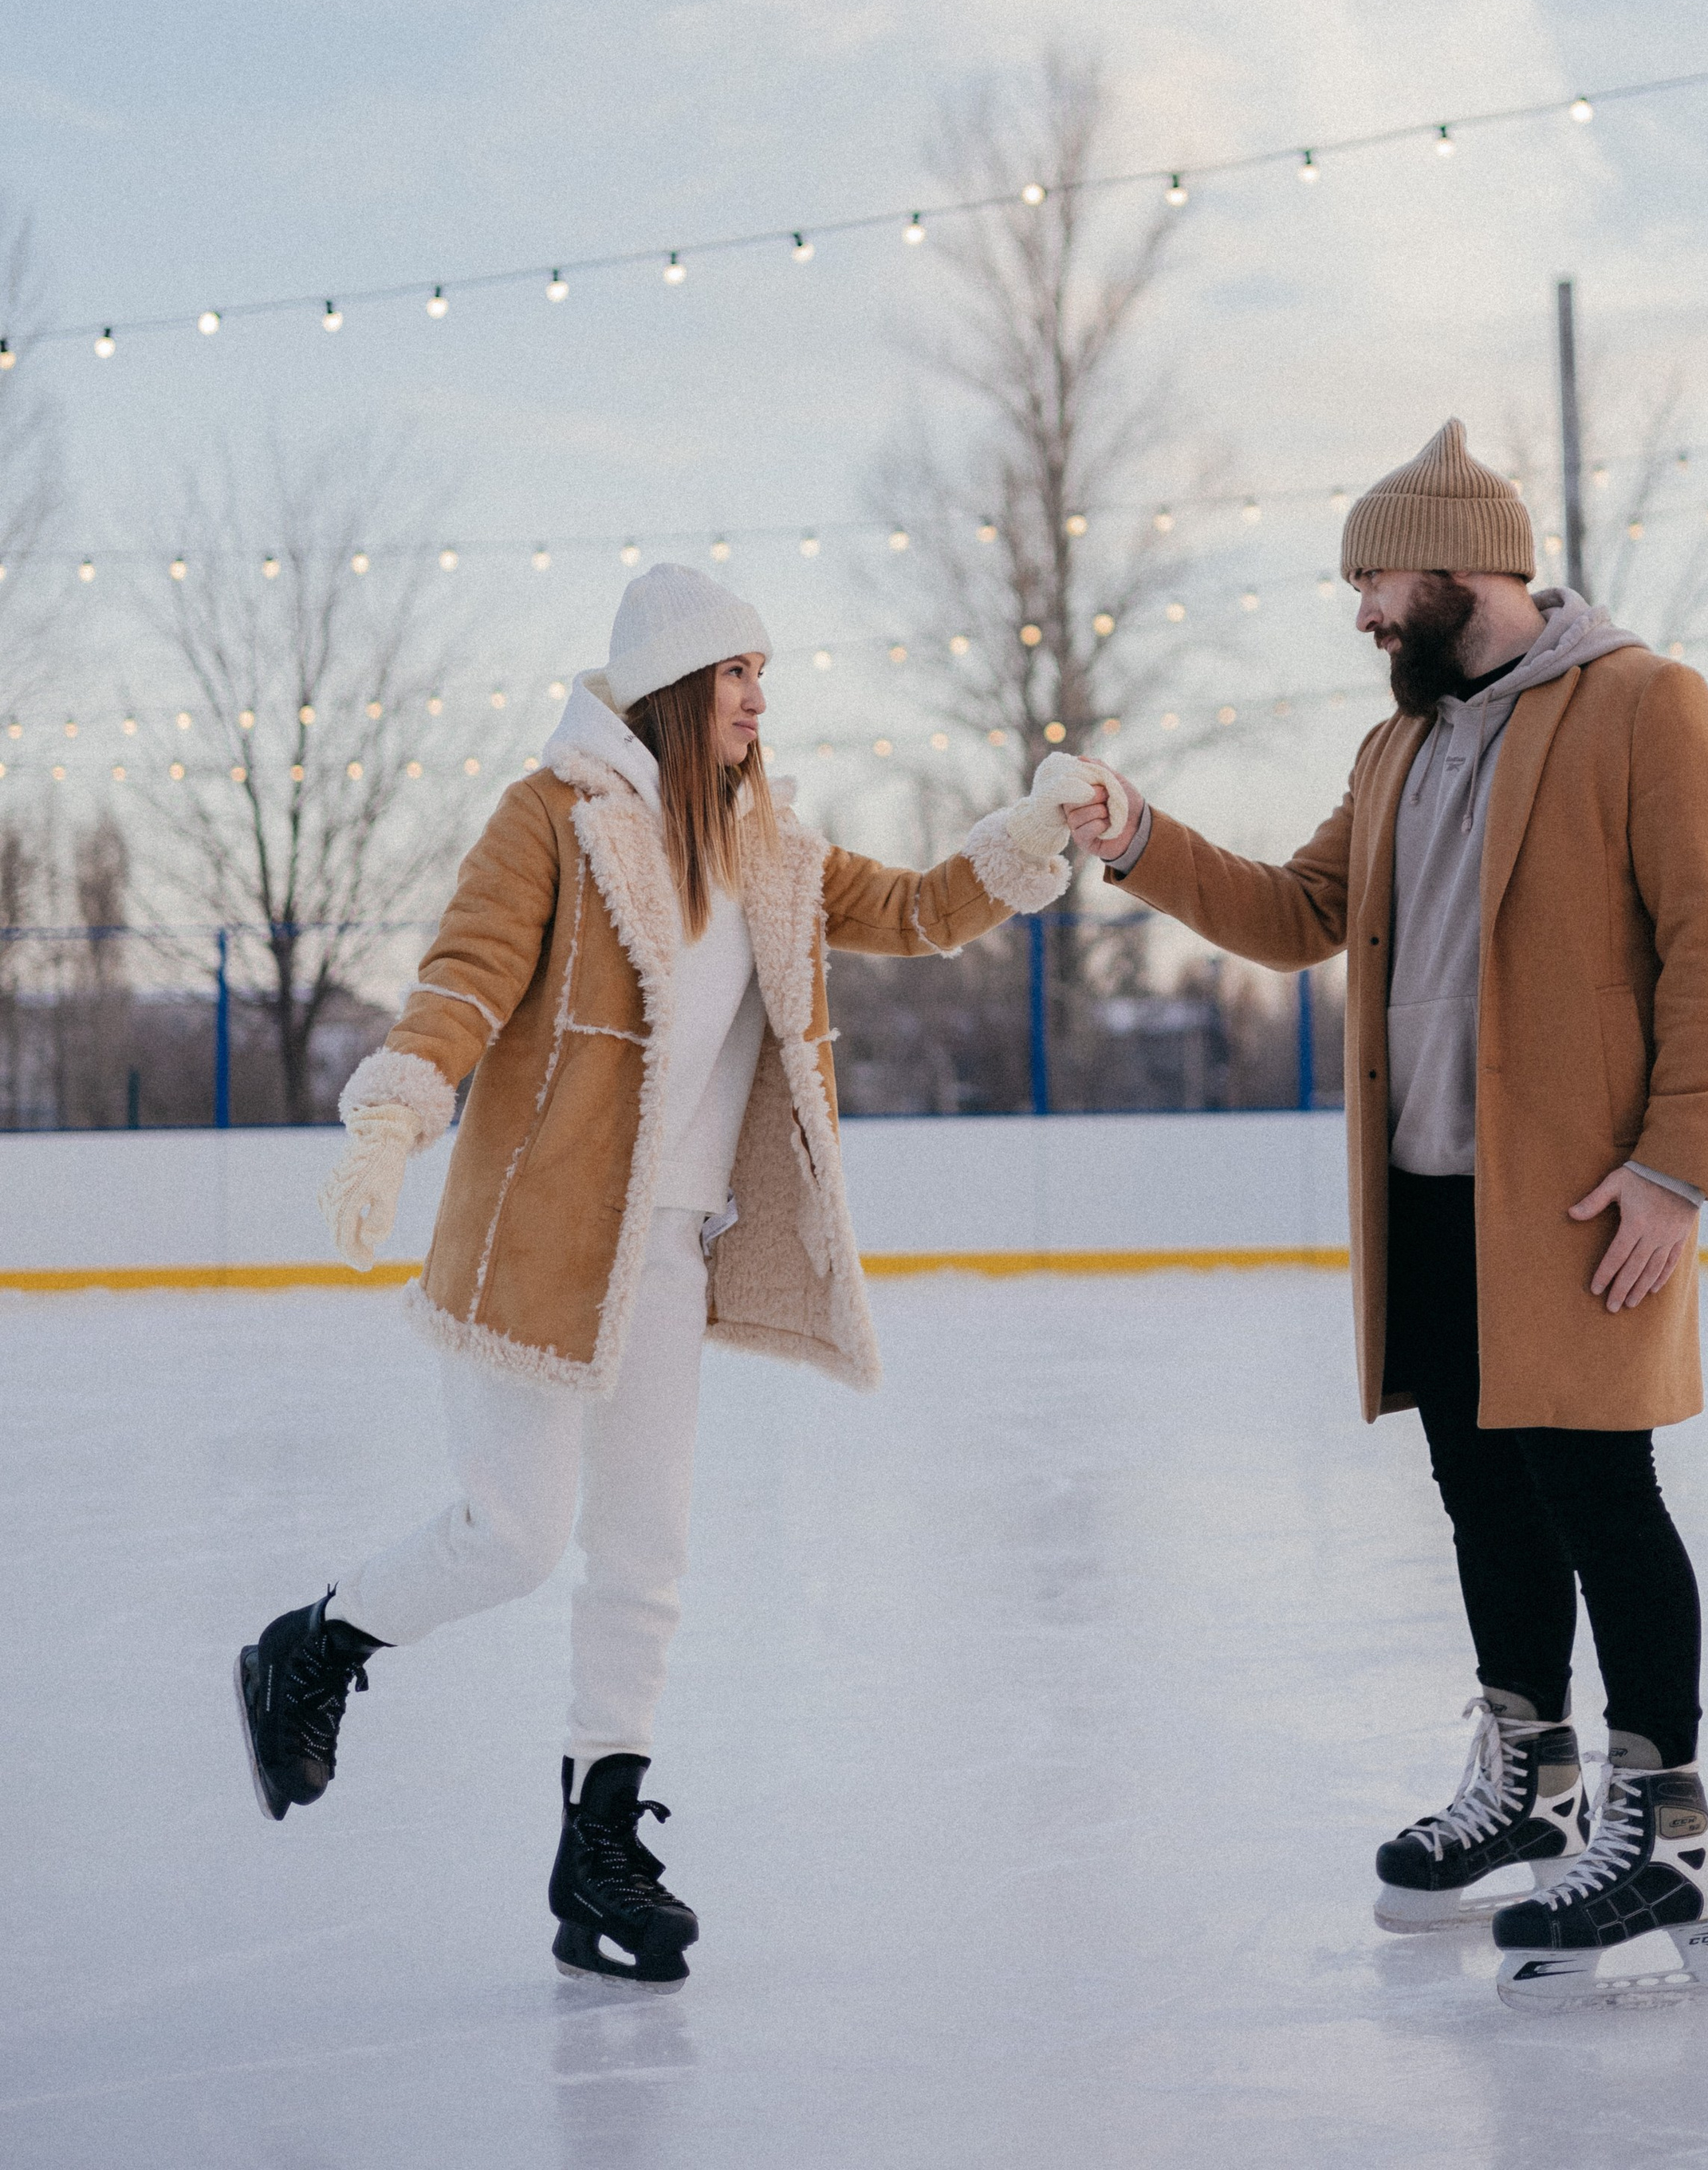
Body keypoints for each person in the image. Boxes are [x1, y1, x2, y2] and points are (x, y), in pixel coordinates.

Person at [235, 563, 1096, 1984]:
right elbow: (466, 973)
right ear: (680, 690)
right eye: (740, 676)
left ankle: (601, 1853)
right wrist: (395, 1120)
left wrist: (1034, 827)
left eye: (767, 677)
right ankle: (316, 1648)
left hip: (677, 1251)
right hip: (539, 1243)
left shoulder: (772, 851)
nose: (764, 700)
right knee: (515, 1536)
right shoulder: (557, 823)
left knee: (645, 1561)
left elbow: (924, 907)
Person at [1065, 419, 1708, 2014]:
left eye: (1373, 582)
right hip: (1430, 1194)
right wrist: (1138, 839)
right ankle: (1531, 1781)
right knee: (1482, 1497)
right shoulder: (1396, 749)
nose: (1361, 616)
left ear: (1459, 563)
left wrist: (1675, 1167)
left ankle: (1671, 1834)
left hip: (1585, 1196)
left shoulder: (1643, 706)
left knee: (1601, 1495)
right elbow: (1299, 914)